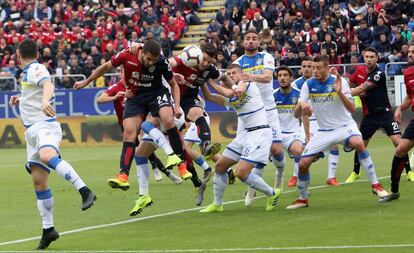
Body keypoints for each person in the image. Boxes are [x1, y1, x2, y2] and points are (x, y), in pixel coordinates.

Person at [9, 38, 96, 249]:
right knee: (39, 182)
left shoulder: (36, 68)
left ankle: (85, 190)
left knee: (48, 155)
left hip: (44, 127)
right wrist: (21, 100)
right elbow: (36, 91)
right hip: (33, 132)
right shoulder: (29, 72)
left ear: (18, 56)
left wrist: (46, 100)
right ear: (37, 53)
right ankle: (48, 230)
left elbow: (47, 84)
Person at [73, 40, 191, 190]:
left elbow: (173, 84)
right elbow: (106, 67)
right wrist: (86, 82)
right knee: (129, 132)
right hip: (135, 97)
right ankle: (123, 175)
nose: (150, 63)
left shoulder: (161, 61)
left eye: (153, 60)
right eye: (148, 59)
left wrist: (177, 106)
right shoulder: (127, 55)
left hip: (156, 94)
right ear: (141, 52)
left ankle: (181, 165)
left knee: (168, 119)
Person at [288, 55, 388, 209]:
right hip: (323, 131)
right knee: (303, 164)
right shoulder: (308, 84)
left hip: (344, 126)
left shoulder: (339, 81)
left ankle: (376, 186)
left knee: (358, 143)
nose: (315, 71)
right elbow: (299, 108)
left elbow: (352, 109)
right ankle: (302, 199)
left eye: (318, 68)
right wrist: (302, 105)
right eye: (313, 68)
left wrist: (340, 92)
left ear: (327, 68)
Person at [199, 64, 281, 213]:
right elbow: (210, 97)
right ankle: (217, 204)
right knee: (220, 166)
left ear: (241, 73)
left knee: (241, 173)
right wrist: (202, 82)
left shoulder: (246, 82)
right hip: (245, 135)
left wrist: (209, 81)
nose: (231, 75)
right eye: (228, 73)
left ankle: (272, 193)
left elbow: (235, 92)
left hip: (260, 133)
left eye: (233, 73)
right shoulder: (231, 96)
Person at [95, 71, 182, 184]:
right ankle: (163, 171)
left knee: (142, 149)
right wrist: (114, 97)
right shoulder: (116, 87)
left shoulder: (139, 85)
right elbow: (99, 99)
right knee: (142, 152)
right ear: (122, 74)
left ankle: (163, 169)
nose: (126, 75)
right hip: (126, 125)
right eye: (124, 72)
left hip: (141, 122)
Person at [345, 47, 414, 183]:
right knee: (360, 145)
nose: (369, 59)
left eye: (372, 57)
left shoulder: (379, 74)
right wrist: (343, 86)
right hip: (369, 115)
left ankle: (409, 172)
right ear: (363, 58)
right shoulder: (358, 72)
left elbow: (361, 88)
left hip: (385, 114)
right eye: (367, 57)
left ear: (376, 58)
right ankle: (355, 172)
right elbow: (350, 84)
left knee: (399, 143)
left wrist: (341, 93)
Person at [232, 30, 285, 206]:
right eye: (247, 39)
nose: (251, 41)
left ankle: (280, 172)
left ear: (259, 41)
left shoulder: (266, 57)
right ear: (243, 42)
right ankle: (251, 189)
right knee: (246, 153)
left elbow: (268, 77)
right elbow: (233, 84)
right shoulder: (237, 62)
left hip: (268, 110)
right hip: (249, 113)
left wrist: (249, 77)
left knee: (276, 150)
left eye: (254, 39)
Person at [290, 57, 341, 187]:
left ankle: (331, 177)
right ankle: (295, 175)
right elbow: (297, 109)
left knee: (334, 145)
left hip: (323, 121)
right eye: (305, 66)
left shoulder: (325, 81)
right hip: (306, 121)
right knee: (299, 149)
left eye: (310, 66)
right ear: (301, 69)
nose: (307, 69)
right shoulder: (296, 84)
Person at [381, 43, 414, 202]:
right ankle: (394, 191)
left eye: (413, 52)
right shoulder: (408, 73)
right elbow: (409, 96)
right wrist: (400, 108)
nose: (410, 54)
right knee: (400, 150)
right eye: (410, 51)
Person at [273, 66, 306, 190]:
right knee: (260, 158)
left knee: (299, 151)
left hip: (293, 133)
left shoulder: (299, 94)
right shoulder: (273, 95)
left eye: (285, 75)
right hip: (276, 134)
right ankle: (279, 174)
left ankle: (300, 186)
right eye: (280, 75)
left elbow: (304, 116)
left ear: (290, 78)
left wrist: (307, 135)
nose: (282, 78)